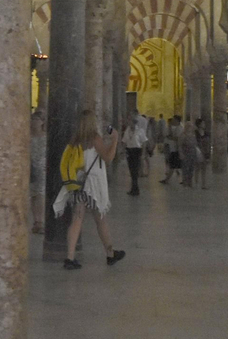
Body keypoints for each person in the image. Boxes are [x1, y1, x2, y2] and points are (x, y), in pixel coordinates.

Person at [54, 110, 125, 270]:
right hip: (93, 185)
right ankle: (110, 254)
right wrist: (114, 139)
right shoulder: (94, 138)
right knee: (101, 220)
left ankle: (70, 258)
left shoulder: (75, 140)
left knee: (77, 220)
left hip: (79, 182)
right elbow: (108, 157)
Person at [121, 110, 148, 195]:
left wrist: (143, 154)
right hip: (130, 150)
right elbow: (124, 141)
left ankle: (135, 188)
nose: (129, 123)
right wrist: (123, 150)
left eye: (130, 122)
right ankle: (134, 188)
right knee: (131, 169)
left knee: (135, 170)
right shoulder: (127, 131)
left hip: (137, 150)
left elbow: (144, 142)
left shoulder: (140, 131)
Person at [29, 110, 46, 235]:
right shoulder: (27, 136)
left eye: (37, 120)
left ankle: (40, 222)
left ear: (42, 122)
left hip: (42, 169)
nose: (34, 122)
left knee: (40, 195)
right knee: (33, 195)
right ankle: (35, 221)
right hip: (30, 168)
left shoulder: (45, 137)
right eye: (33, 119)